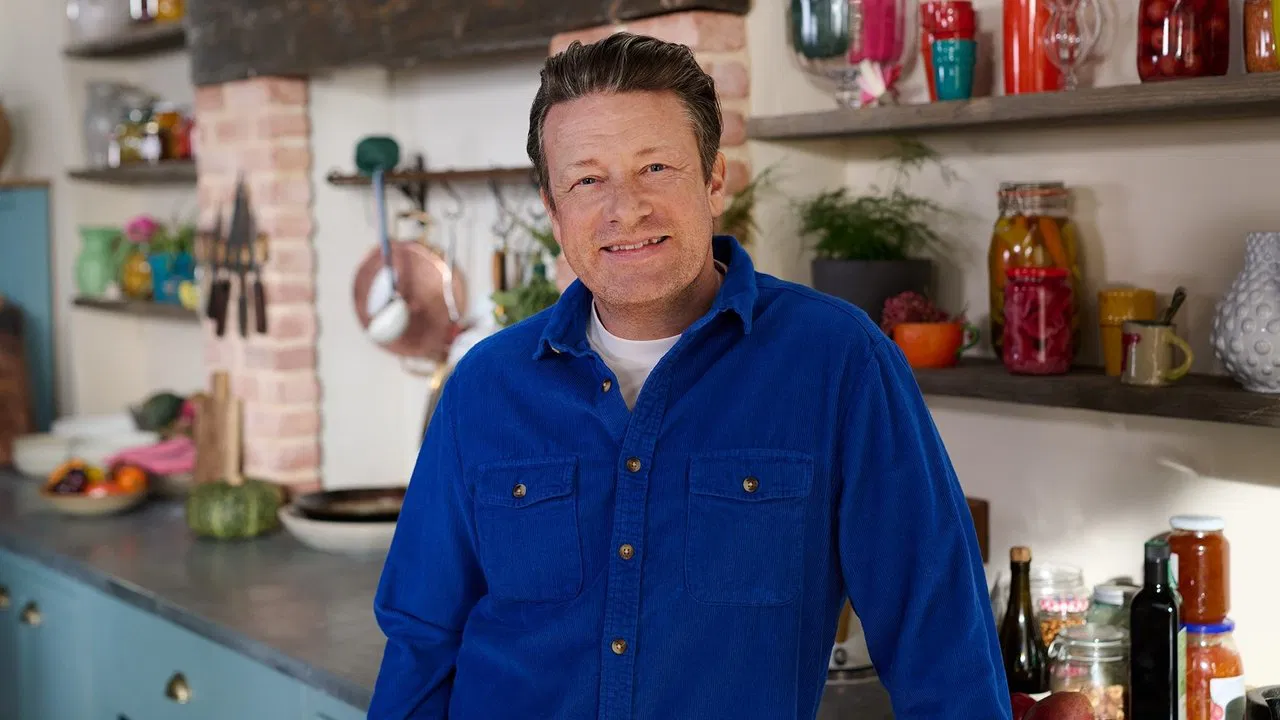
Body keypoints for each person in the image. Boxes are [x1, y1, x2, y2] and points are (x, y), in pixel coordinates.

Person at [369, 31, 1010, 720]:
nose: (626, 209)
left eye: (655, 168)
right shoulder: (483, 387)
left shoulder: (839, 362)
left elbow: (941, 645)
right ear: (554, 211)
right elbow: (420, 645)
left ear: (713, 180)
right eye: (587, 180)